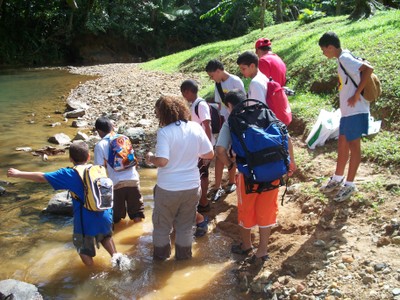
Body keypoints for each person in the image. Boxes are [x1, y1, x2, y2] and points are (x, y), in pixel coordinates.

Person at [215, 89, 296, 262]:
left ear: (229, 106)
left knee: (246, 211)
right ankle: (262, 251)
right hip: (273, 172)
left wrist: (230, 164)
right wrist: (291, 162)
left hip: (248, 176)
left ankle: (246, 246)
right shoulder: (266, 113)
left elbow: (220, 150)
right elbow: (287, 138)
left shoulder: (232, 122)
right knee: (267, 211)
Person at [7, 141, 117, 267]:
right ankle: (118, 260)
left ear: (70, 158)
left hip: (86, 220)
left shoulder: (69, 173)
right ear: (88, 157)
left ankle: (93, 274)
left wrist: (18, 173)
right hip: (105, 214)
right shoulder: (97, 170)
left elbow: (41, 177)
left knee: (82, 249)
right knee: (106, 238)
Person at [146, 95, 214, 260]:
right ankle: (183, 262)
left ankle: (160, 264)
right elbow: (209, 153)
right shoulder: (195, 127)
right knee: (184, 227)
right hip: (191, 186)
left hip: (168, 187)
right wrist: (190, 154)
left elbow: (162, 161)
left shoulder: (164, 132)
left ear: (163, 114)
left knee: (162, 227)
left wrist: (150, 158)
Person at [318, 32, 373, 202]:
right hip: (348, 111)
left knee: (354, 145)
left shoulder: (345, 59)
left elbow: (369, 69)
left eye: (323, 50)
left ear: (331, 47)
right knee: (342, 143)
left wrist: (356, 94)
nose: (323, 53)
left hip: (356, 110)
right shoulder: (344, 57)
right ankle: (337, 178)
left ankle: (350, 184)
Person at [205, 59, 245, 201]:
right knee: (219, 151)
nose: (212, 79)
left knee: (232, 151)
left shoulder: (235, 81)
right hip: (226, 122)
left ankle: (231, 182)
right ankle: (217, 186)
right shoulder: (218, 84)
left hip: (237, 122)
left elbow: (242, 101)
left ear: (218, 71)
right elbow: (220, 106)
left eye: (212, 75)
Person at [94, 116, 145, 224]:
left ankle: (116, 238)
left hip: (116, 183)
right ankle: (138, 238)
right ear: (112, 127)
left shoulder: (100, 145)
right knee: (137, 213)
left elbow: (99, 169)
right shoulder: (124, 138)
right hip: (133, 180)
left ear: (99, 131)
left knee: (116, 217)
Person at [180, 79, 211, 237]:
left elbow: (207, 125)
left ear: (187, 91)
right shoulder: (194, 105)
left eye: (183, 93)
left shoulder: (200, 104)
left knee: (203, 174)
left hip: (202, 147)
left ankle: (204, 201)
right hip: (198, 146)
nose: (183, 97)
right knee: (199, 174)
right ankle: (201, 201)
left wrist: (207, 147)